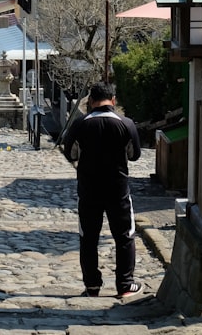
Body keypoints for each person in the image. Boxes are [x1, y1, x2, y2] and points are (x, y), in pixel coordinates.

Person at [59, 81, 143, 299]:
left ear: (91, 102)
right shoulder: (126, 124)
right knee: (124, 236)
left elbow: (71, 154)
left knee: (88, 237)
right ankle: (125, 285)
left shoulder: (79, 124)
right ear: (113, 101)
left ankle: (92, 286)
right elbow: (134, 155)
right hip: (118, 189)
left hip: (89, 189)